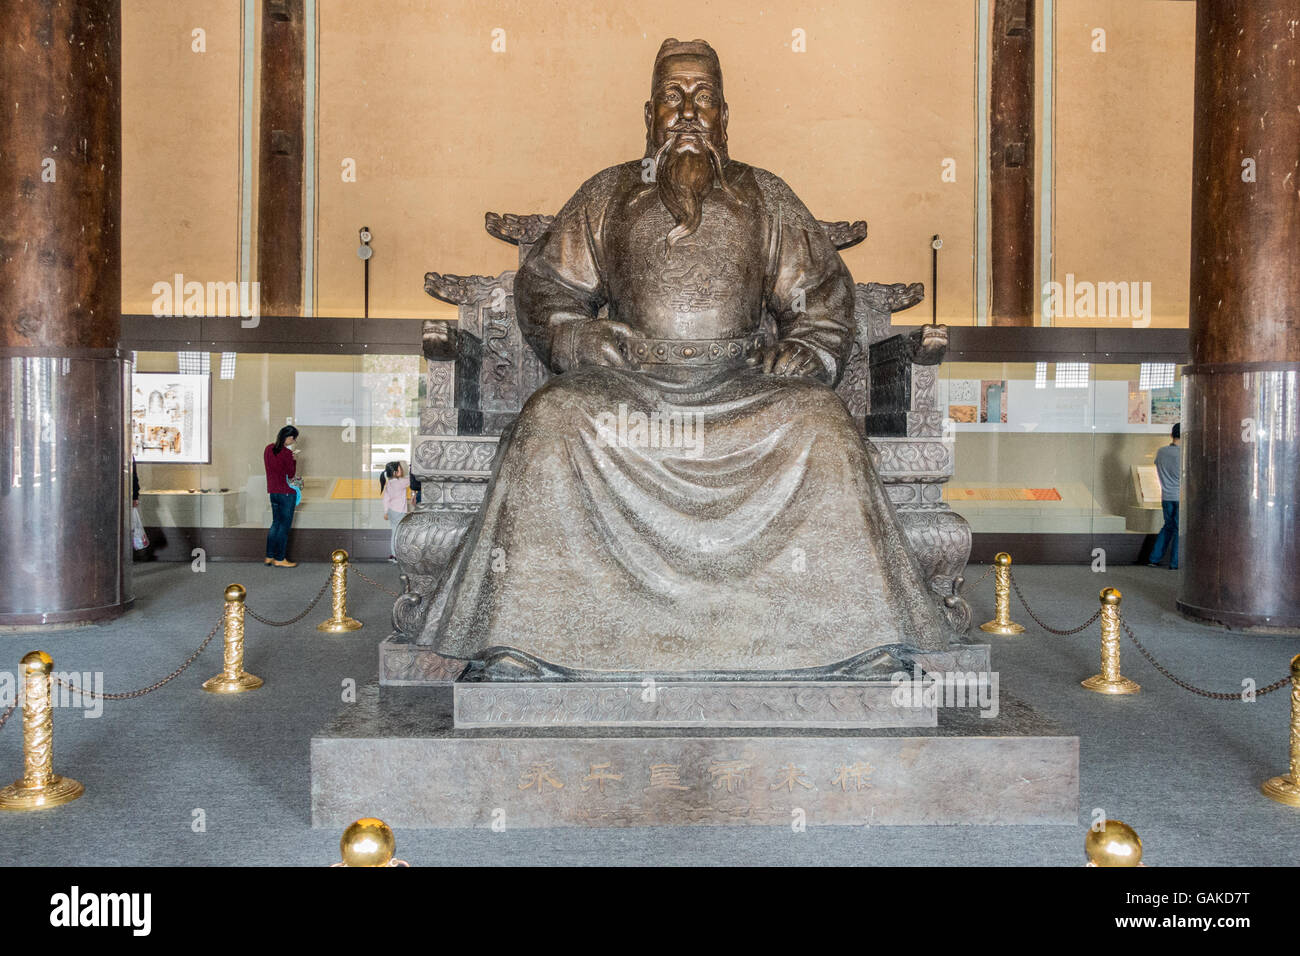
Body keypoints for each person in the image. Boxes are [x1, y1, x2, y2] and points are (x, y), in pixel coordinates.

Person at [415, 39, 956, 677]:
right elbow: (547, 287)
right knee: (551, 422)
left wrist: (807, 350)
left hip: (742, 385)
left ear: (725, 115)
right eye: (674, 96)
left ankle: (858, 640)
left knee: (823, 426)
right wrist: (578, 337)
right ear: (650, 115)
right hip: (632, 384)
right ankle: (524, 642)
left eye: (704, 97)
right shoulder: (608, 194)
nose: (689, 111)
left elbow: (822, 297)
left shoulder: (766, 196)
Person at [264, 425, 299, 567]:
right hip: (286, 493)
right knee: (284, 526)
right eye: (293, 438)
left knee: (275, 524)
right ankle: (280, 558)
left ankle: (269, 556)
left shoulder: (268, 449)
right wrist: (294, 459)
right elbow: (291, 474)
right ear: (289, 437)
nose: (293, 441)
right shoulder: (286, 453)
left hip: (273, 492)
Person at [1149, 422, 1181, 570]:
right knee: (1178, 529)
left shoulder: (1161, 452)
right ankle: (1175, 562)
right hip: (1181, 497)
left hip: (1166, 495)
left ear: (1171, 435)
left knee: (1168, 526)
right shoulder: (1185, 453)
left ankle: (1154, 558)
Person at [379, 461, 410, 563]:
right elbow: (411, 480)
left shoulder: (390, 483)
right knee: (399, 534)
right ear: (395, 472)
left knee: (394, 532)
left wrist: (386, 512)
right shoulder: (400, 483)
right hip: (399, 512)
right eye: (400, 468)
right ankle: (397, 555)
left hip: (392, 511)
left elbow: (385, 499)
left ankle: (393, 554)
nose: (402, 470)